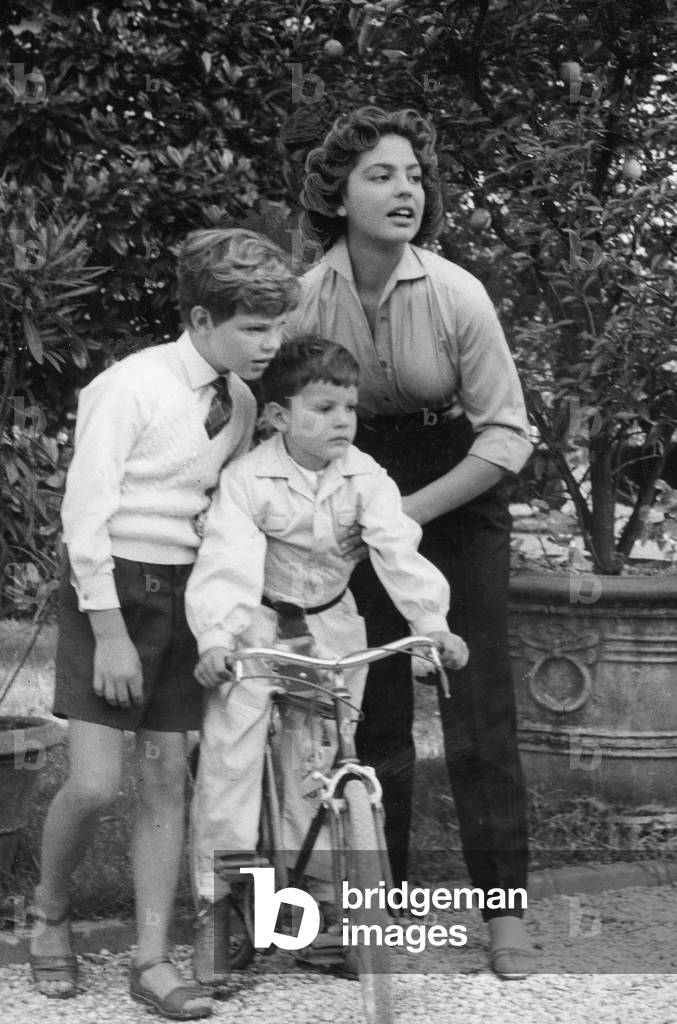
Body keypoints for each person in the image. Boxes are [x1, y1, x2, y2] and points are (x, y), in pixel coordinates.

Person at [29, 228, 300, 1019]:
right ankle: (49, 909)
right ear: (200, 318)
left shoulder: (242, 401)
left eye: (276, 327)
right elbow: (86, 516)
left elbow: (224, 510)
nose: (269, 343)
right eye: (254, 328)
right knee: (94, 780)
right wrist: (110, 630)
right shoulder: (130, 387)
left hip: (184, 599)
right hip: (110, 593)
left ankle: (150, 959)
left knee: (162, 779)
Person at [294, 106, 538, 980]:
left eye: (413, 176)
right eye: (380, 176)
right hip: (358, 493)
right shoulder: (305, 299)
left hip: (458, 491)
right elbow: (277, 420)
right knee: (377, 714)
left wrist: (408, 511)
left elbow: (507, 436)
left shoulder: (456, 292)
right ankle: (380, 917)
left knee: (476, 713)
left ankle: (504, 914)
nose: (405, 190)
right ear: (338, 195)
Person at [184, 333, 468, 984]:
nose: (341, 421)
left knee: (322, 761)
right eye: (322, 408)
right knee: (232, 760)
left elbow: (398, 548)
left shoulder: (365, 477)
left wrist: (433, 625)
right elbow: (226, 562)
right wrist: (218, 641)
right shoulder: (248, 479)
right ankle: (219, 910)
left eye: (349, 407)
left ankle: (321, 911)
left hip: (331, 626)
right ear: (279, 417)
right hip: (255, 621)